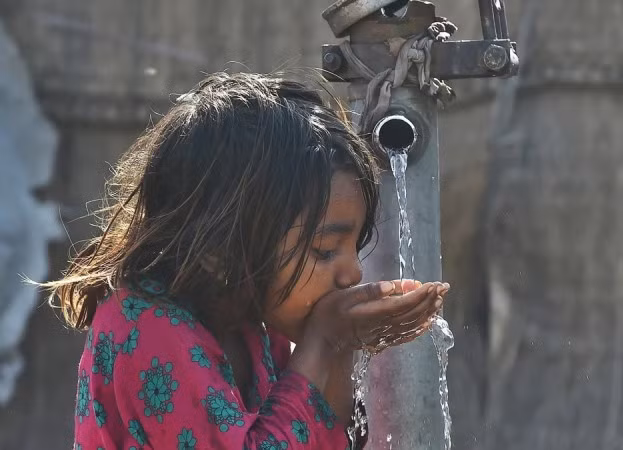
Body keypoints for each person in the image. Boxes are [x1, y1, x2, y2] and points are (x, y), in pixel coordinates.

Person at [40, 72, 449, 449]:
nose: (353, 273)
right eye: (325, 250)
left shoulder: (250, 325)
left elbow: (323, 438)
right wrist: (324, 339)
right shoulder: (145, 326)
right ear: (220, 251)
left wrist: (341, 342)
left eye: (353, 248)